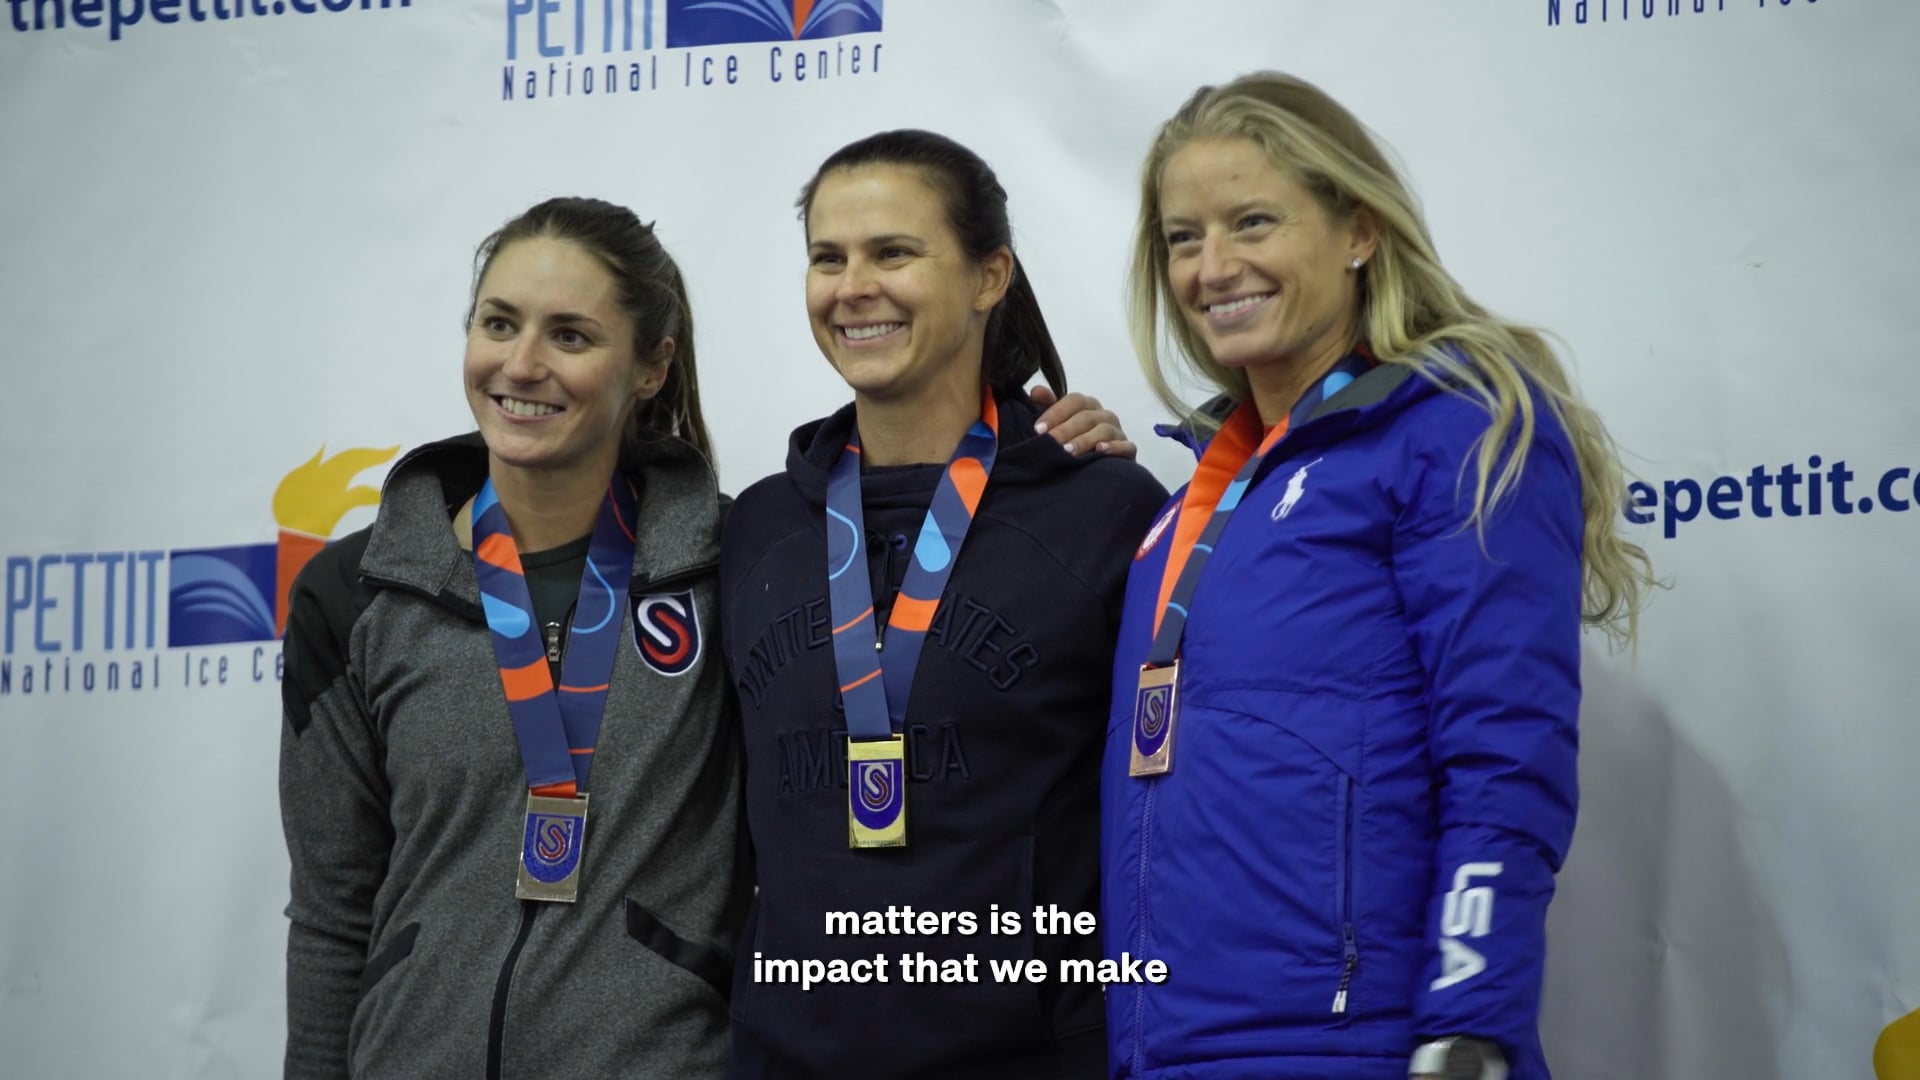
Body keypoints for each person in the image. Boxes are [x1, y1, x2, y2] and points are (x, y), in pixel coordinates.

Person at [1100, 73, 1656, 1080]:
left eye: (1253, 222)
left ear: (1358, 230)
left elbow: (1506, 753)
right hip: (1168, 1050)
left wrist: (1470, 1025)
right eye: (1183, 238)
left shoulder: (1457, 430)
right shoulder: (1193, 499)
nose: (1212, 268)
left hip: (1361, 1045)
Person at [719, 130, 1171, 1079]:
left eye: (893, 252)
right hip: (781, 1059)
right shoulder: (757, 527)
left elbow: (1169, 822)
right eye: (828, 258)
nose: (854, 287)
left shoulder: (1104, 513)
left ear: (988, 276)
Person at [278, 197, 748, 1079]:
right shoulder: (356, 594)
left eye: (570, 336)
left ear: (651, 367)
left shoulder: (736, 568)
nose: (522, 365)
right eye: (499, 323)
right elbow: (333, 915)